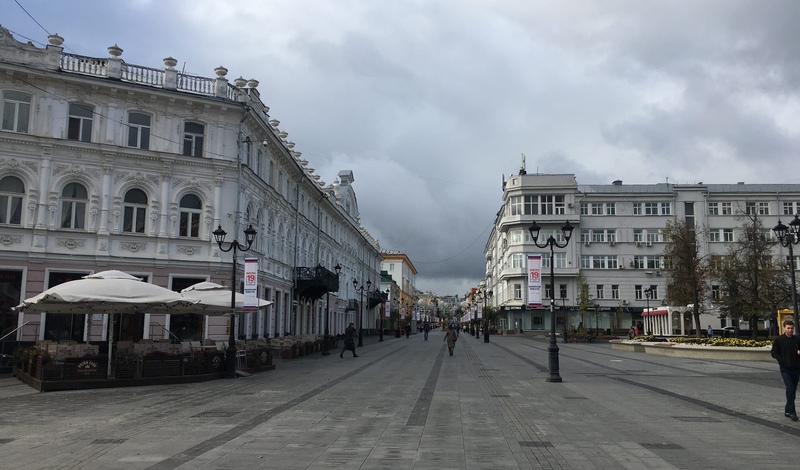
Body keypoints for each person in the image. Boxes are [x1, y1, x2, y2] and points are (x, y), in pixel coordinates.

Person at [771, 320, 800, 421]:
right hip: (785, 369)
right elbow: (774, 353)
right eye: (788, 328)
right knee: (790, 388)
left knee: (792, 391)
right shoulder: (779, 340)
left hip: (796, 368)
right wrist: (781, 360)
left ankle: (788, 409)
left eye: (792, 328)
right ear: (784, 328)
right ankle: (792, 412)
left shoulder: (797, 340)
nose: (790, 330)